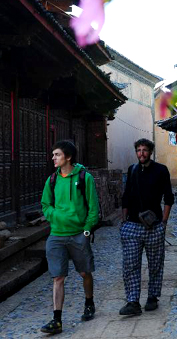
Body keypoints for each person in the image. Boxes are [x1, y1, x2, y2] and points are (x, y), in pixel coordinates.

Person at [40, 140, 99, 335]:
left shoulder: (84, 177)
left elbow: (93, 207)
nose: (53, 158)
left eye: (57, 154)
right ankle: (57, 319)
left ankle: (89, 303)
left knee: (84, 273)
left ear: (68, 157)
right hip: (56, 234)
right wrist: (56, 217)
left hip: (78, 234)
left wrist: (87, 229)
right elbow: (45, 205)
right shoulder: (52, 180)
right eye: (53, 154)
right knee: (58, 277)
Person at [119, 138, 173, 315]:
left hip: (154, 225)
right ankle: (133, 301)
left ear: (151, 152)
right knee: (130, 264)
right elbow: (126, 196)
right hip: (132, 225)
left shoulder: (161, 170)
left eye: (144, 150)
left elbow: (168, 197)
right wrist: (123, 221)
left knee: (155, 263)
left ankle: (152, 297)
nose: (141, 153)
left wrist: (163, 222)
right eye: (139, 150)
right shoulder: (132, 170)